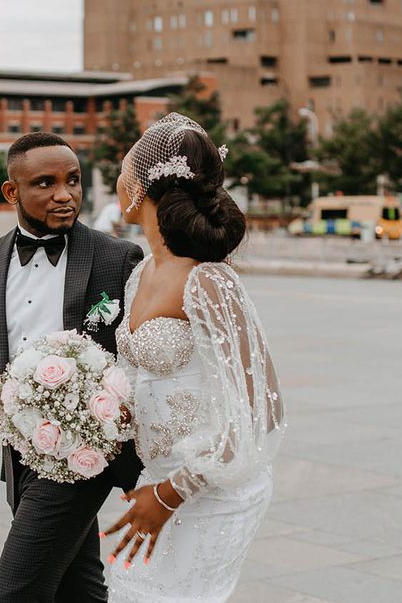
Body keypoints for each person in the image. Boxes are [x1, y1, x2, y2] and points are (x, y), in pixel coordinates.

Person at [102, 113, 286, 603]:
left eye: (123, 170)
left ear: (140, 188)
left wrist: (173, 493)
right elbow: (136, 377)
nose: (116, 182)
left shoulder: (210, 281)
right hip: (152, 482)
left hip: (211, 487)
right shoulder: (139, 274)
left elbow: (260, 410)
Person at [0, 132, 144, 602]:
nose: (65, 194)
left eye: (74, 180)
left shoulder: (116, 258)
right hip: (19, 458)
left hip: (86, 457)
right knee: (77, 586)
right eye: (46, 183)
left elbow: (138, 362)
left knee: (18, 588)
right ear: (12, 192)